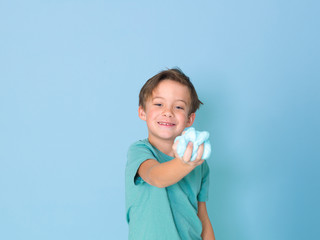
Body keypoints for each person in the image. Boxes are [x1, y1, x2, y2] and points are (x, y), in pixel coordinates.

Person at [125, 68, 215, 240]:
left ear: (190, 119)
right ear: (142, 112)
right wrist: (184, 164)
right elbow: (156, 177)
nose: (168, 112)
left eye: (179, 107)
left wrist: (191, 162)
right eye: (159, 104)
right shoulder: (139, 151)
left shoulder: (199, 163)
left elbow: (202, 216)